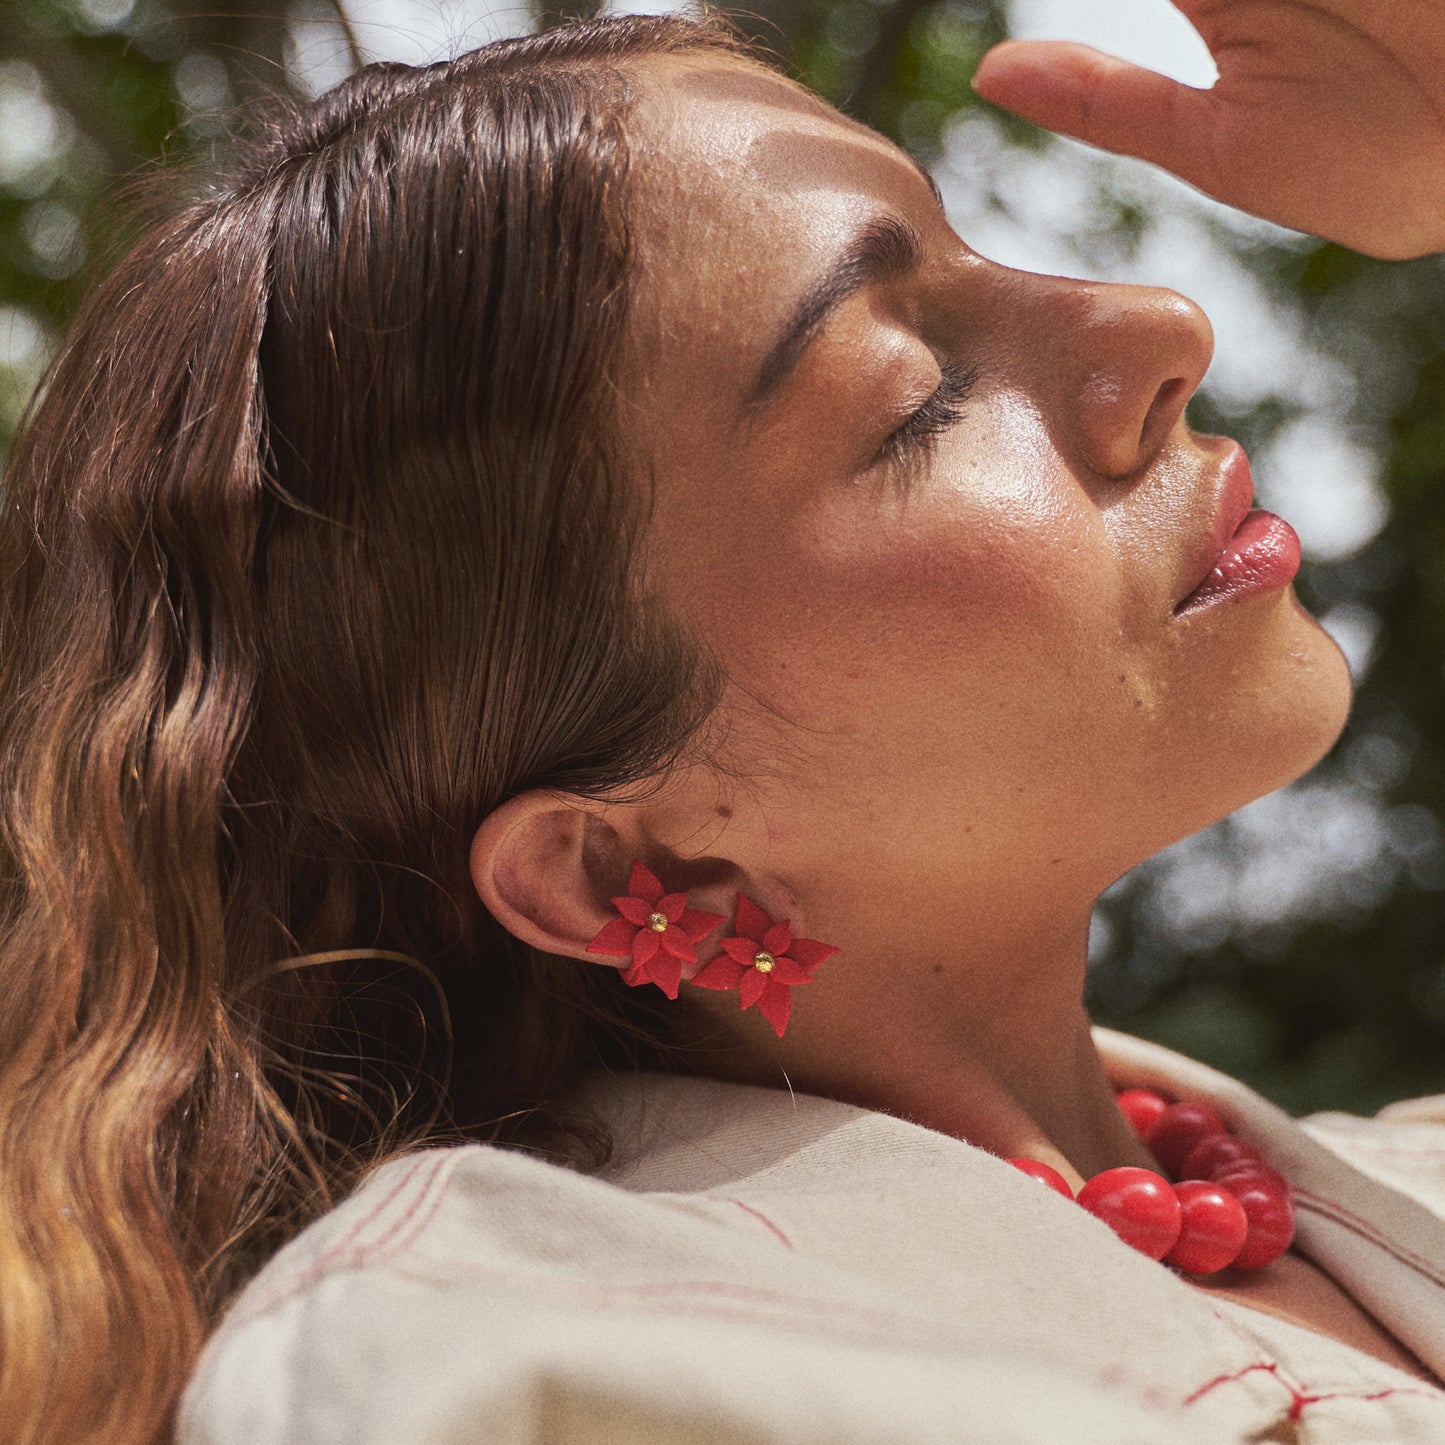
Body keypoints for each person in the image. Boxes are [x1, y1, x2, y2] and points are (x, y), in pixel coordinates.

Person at [3, 5, 1444, 1442]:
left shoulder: (1381, 1189)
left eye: (973, 249)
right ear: (614, 864)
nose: (1157, 324)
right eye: (917, 397)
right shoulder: (526, 1364)